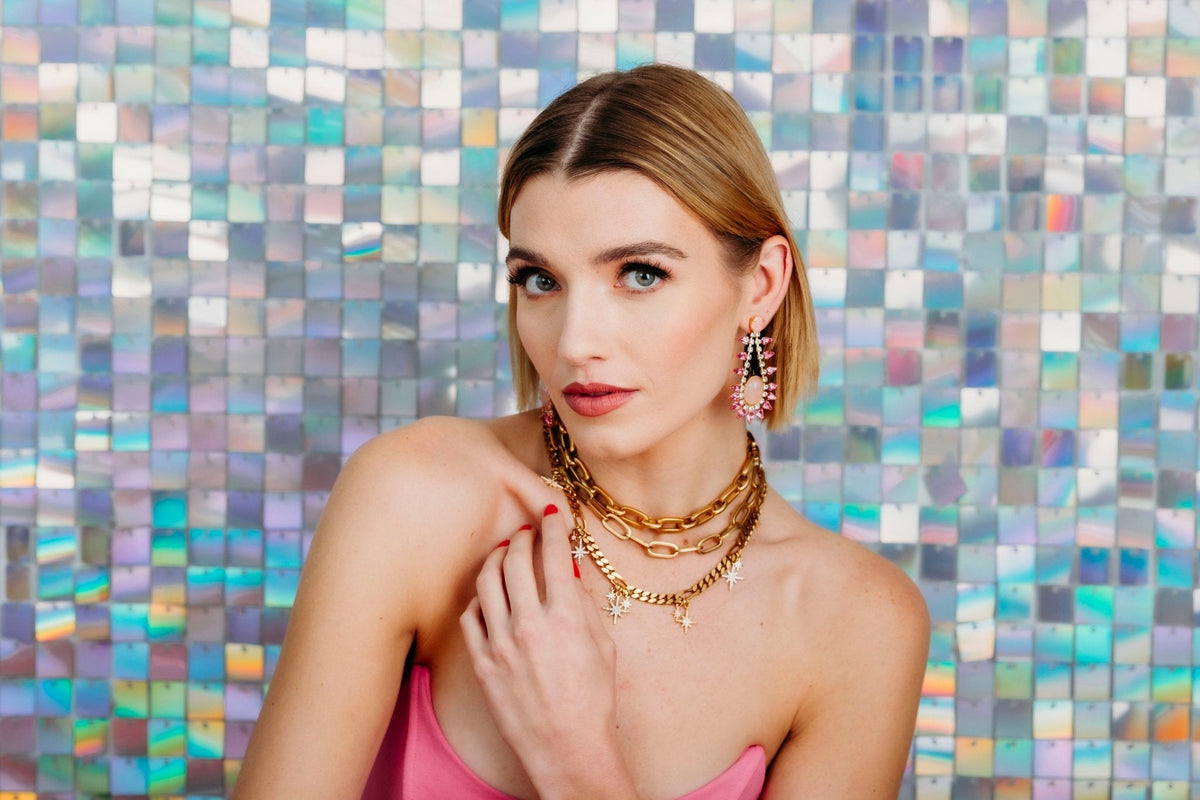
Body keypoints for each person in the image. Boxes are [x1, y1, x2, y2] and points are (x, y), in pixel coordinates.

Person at [232, 63, 929, 799]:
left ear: (760, 285)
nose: (574, 342)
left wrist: (574, 756)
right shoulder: (413, 501)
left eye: (640, 274)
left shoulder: (859, 622)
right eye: (541, 280)